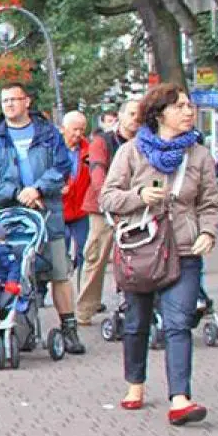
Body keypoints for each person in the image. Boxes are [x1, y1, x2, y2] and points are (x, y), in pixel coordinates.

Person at [101, 84, 218, 426]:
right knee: (136, 323)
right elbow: (108, 198)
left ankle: (180, 399)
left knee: (178, 323)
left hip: (183, 249)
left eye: (189, 106)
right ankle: (135, 383)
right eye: (180, 106)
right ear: (160, 113)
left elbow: (210, 202)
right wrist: (140, 195)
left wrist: (209, 232)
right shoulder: (132, 152)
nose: (188, 111)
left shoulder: (198, 154)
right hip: (142, 249)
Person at [0, 83, 86, 354]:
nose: (10, 104)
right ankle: (12, 325)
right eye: (5, 100)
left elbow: (62, 167)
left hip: (48, 213)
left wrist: (37, 189)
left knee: (59, 272)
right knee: (10, 270)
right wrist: (16, 193)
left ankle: (69, 328)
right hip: (9, 217)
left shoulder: (48, 134)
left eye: (15, 99)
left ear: (27, 101)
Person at [76, 99, 140, 327]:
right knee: (96, 257)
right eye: (131, 113)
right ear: (120, 116)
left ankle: (134, 304)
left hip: (135, 206)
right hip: (102, 207)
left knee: (136, 257)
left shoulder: (146, 141)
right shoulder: (103, 141)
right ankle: (84, 310)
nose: (136, 118)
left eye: (139, 114)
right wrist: (109, 200)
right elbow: (97, 172)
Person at [61, 111, 93, 272]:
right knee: (61, 253)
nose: (78, 134)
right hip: (59, 209)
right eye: (74, 129)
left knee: (85, 250)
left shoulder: (89, 150)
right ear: (63, 129)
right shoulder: (52, 149)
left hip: (81, 208)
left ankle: (82, 288)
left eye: (82, 129)